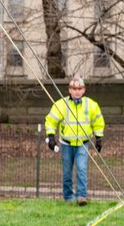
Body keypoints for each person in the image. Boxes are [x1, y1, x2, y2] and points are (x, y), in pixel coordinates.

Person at [45, 76, 105, 205]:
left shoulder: (91, 105)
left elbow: (98, 122)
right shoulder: (61, 104)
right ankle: (68, 197)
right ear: (69, 90)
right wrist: (51, 137)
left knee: (81, 169)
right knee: (67, 172)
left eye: (79, 88)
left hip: (82, 144)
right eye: (74, 88)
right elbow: (51, 120)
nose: (77, 91)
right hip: (66, 144)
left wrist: (99, 138)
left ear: (83, 90)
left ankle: (81, 196)